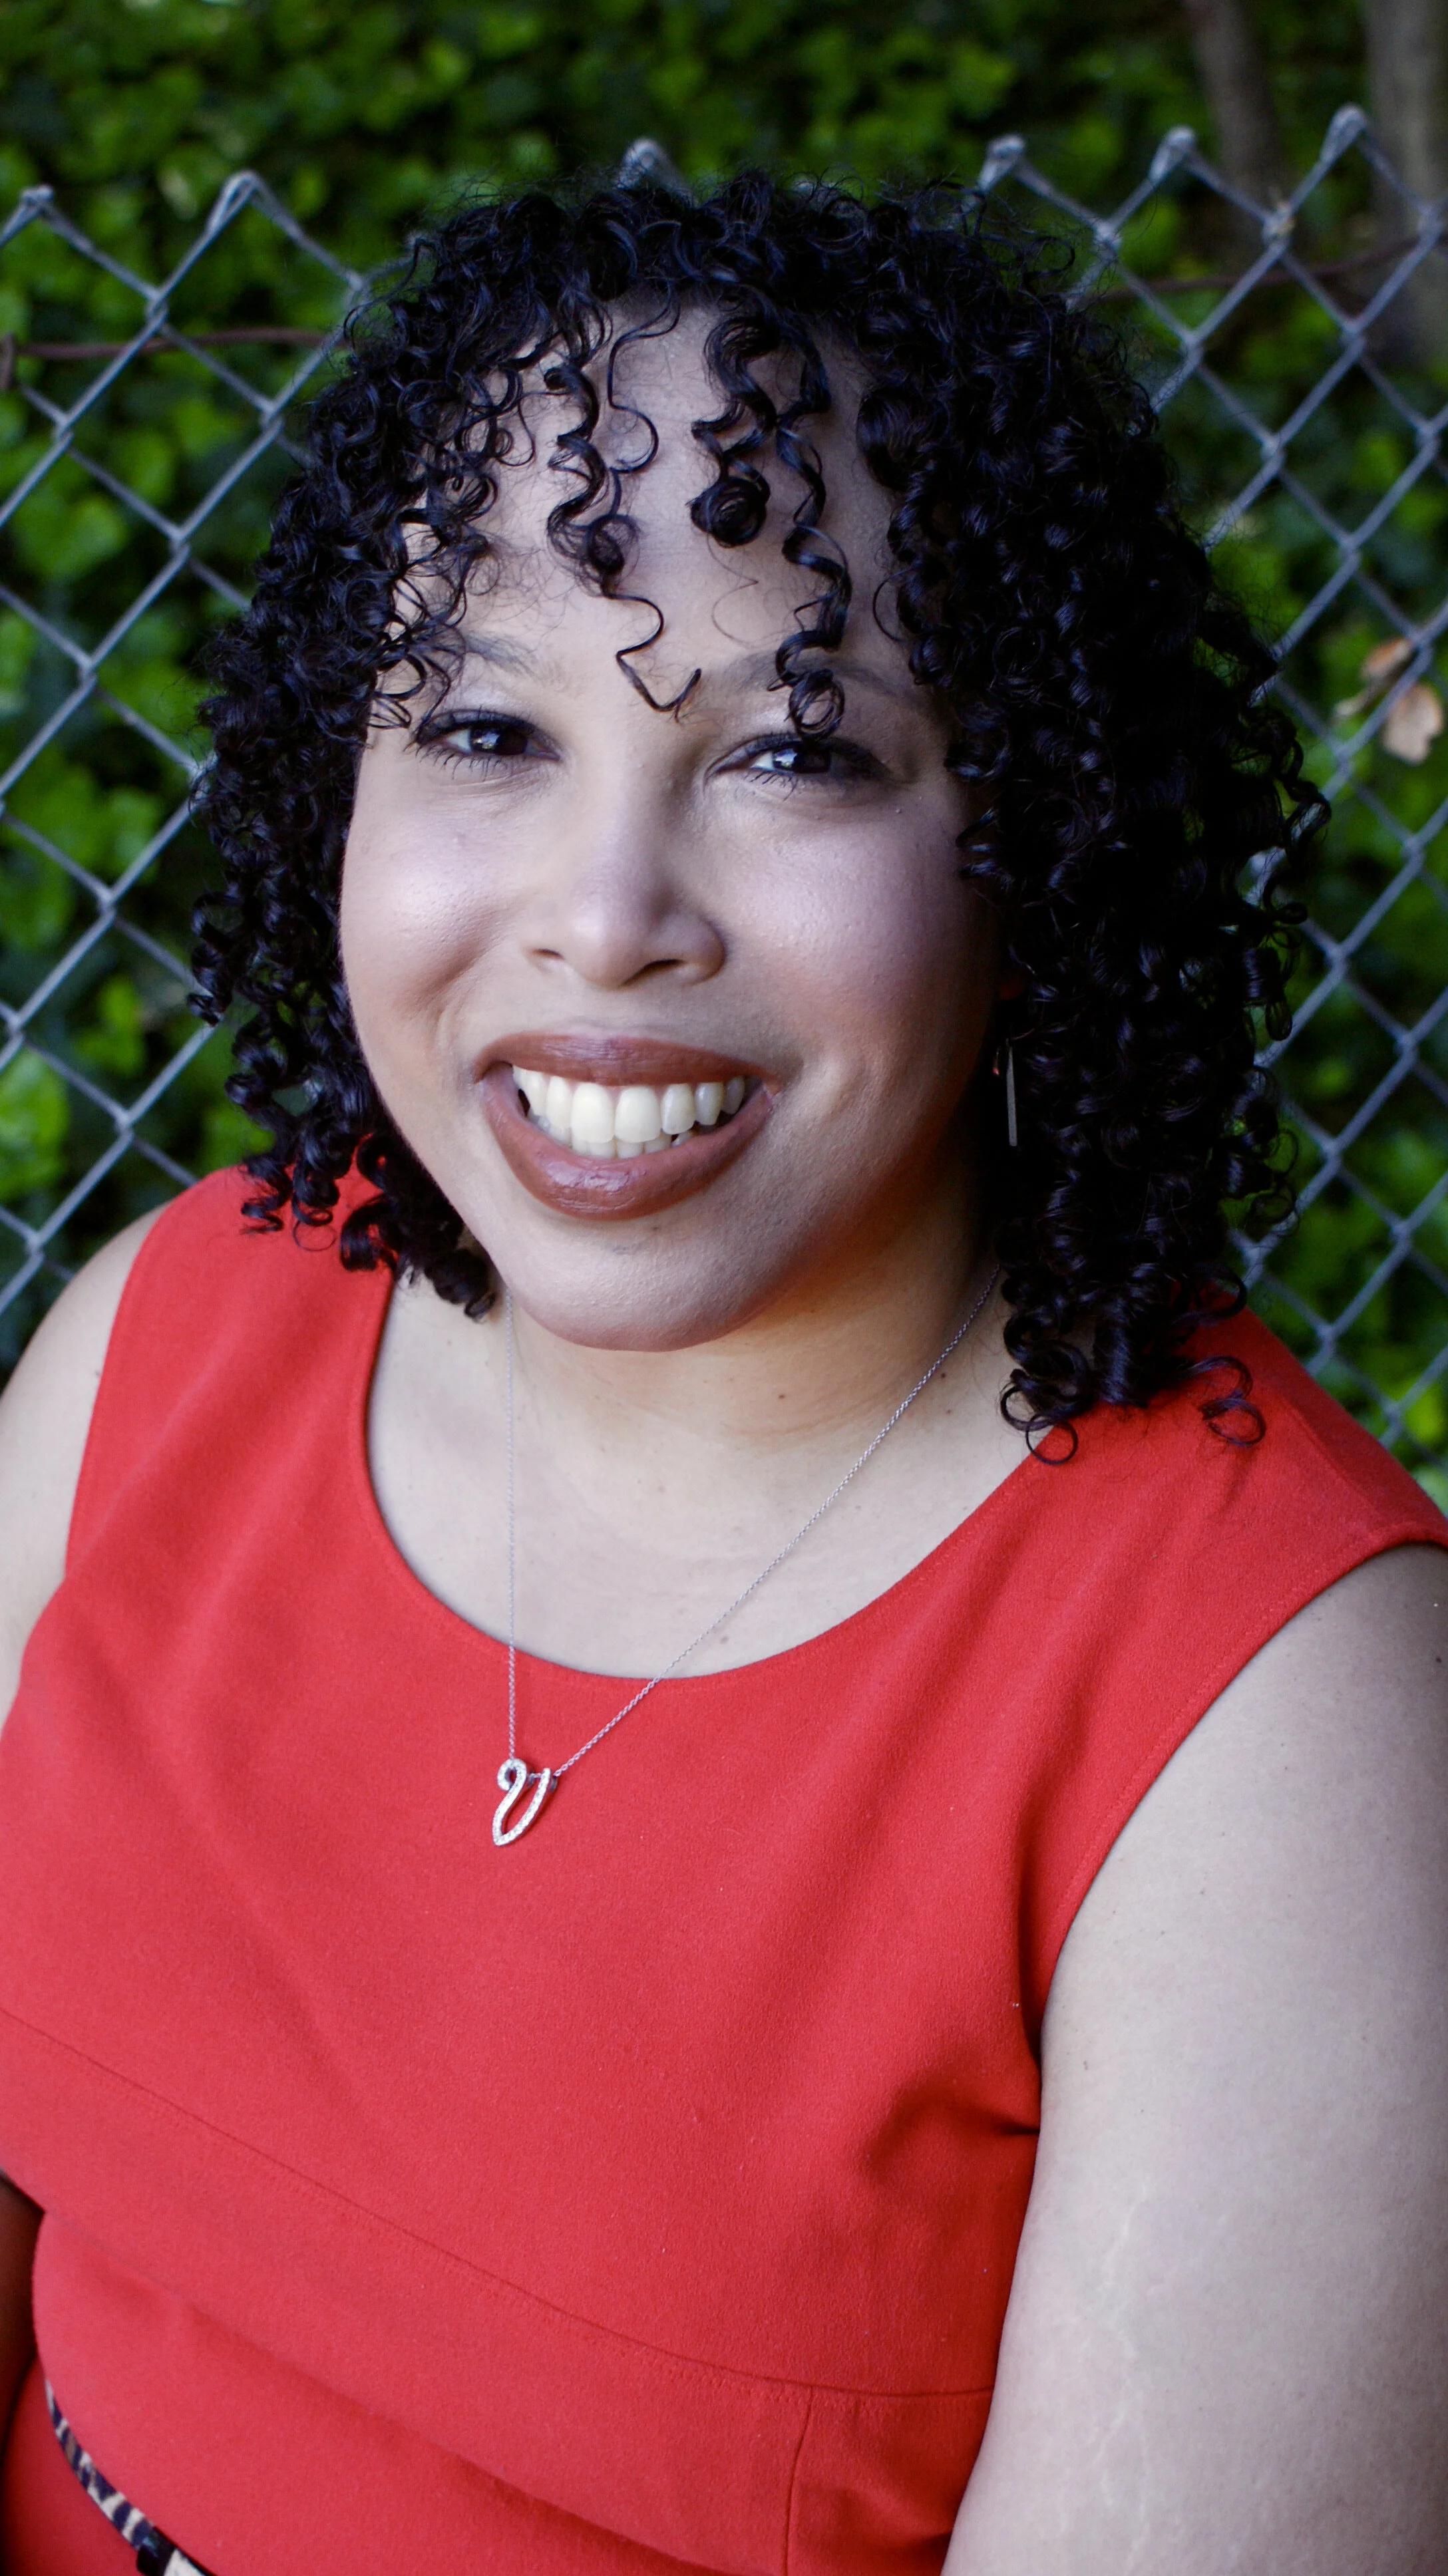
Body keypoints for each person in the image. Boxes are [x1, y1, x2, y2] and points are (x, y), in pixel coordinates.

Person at [0, 172, 1444, 2576]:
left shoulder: (1284, 1727)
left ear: (1037, 848)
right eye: (480, 723)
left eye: (793, 751)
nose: (602, 913)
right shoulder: (169, 1338)